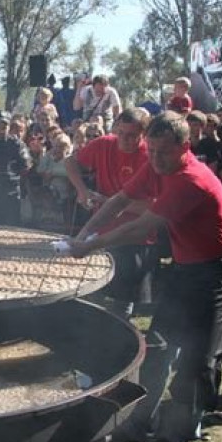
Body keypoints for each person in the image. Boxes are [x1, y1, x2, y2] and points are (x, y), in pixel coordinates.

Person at [70, 111, 222, 442]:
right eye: (150, 150)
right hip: (185, 269)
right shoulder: (156, 164)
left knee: (196, 358)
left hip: (219, 275)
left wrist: (91, 245)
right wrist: (82, 234)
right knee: (159, 347)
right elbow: (119, 200)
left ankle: (174, 434)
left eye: (162, 152)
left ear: (184, 147)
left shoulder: (190, 179)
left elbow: (141, 227)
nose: (153, 158)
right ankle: (138, 425)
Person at [65, 108, 156, 316]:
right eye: (121, 132)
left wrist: (108, 202)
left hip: (135, 237)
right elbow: (70, 162)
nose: (124, 139)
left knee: (123, 300)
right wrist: (81, 190)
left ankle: (122, 341)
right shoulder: (103, 144)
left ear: (143, 133)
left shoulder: (151, 157)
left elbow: (152, 208)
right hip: (101, 230)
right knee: (91, 290)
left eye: (132, 135)